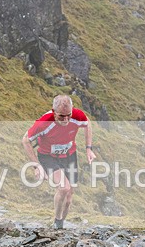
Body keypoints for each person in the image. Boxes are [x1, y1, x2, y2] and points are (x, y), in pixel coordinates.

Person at [22, 95, 96, 229]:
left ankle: (61, 224)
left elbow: (87, 123)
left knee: (68, 199)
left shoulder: (77, 115)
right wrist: (37, 166)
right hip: (48, 157)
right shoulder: (44, 122)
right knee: (63, 188)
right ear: (54, 112)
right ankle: (57, 221)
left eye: (69, 115)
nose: (66, 119)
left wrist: (88, 148)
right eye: (61, 116)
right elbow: (26, 140)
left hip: (69, 156)